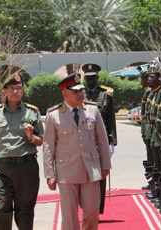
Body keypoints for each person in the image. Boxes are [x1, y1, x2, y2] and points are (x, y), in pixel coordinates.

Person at [43, 73, 111, 230]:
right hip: (66, 172)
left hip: (91, 170)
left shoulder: (92, 110)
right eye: (75, 92)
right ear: (64, 94)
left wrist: (105, 164)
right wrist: (50, 175)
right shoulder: (54, 115)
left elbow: (102, 139)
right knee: (69, 215)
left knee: (92, 211)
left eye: (81, 90)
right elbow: (48, 147)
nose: (80, 94)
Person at [0, 73, 44, 230]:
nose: (16, 92)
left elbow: (41, 140)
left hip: (26, 167)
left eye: (19, 88)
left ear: (23, 91)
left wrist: (31, 136)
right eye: (12, 88)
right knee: (1, 207)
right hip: (2, 168)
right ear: (5, 91)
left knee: (25, 212)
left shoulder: (32, 112)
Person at [82, 63, 116, 215]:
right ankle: (86, 207)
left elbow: (110, 118)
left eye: (93, 77)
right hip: (83, 140)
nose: (90, 80)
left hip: (101, 140)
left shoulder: (105, 94)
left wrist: (112, 142)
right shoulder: (79, 93)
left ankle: (97, 208)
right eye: (87, 78)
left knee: (101, 174)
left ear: (97, 77)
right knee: (83, 175)